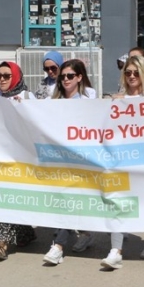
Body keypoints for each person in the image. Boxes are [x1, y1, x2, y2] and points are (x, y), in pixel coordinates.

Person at [100, 55, 144, 267]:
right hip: (121, 160)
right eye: (128, 73)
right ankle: (116, 249)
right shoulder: (117, 100)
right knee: (116, 200)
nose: (132, 76)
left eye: (136, 72)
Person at [43, 59, 96, 265]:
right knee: (63, 202)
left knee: (67, 201)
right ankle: (85, 233)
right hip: (56, 161)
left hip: (78, 161)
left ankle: (58, 246)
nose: (65, 79)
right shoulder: (52, 102)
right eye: (63, 76)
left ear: (79, 78)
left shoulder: (87, 103)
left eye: (70, 76)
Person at [0, 61, 37, 260]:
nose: (2, 79)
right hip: (0, 156)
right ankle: (13, 238)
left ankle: (4, 242)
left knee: (12, 197)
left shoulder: (27, 96)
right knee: (4, 197)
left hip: (21, 157)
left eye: (6, 76)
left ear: (16, 76)